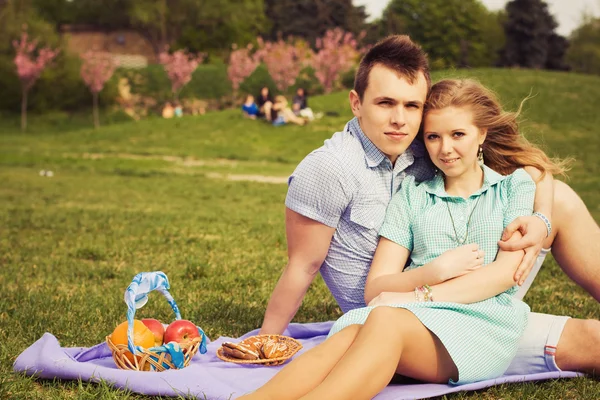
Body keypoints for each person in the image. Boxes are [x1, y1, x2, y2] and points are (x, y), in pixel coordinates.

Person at [258, 35, 600, 380]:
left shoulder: (426, 144)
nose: (399, 119)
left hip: (475, 296)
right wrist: (265, 341)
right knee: (590, 341)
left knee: (562, 203)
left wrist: (540, 219)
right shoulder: (330, 168)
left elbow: (531, 171)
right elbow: (303, 265)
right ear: (356, 103)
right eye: (385, 103)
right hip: (394, 316)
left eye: (412, 106)